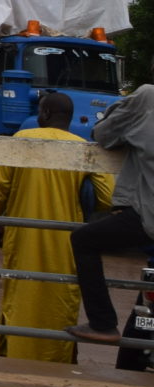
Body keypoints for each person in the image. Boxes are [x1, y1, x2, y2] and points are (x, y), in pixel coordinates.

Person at [0, 92, 114, 361]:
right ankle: (55, 355)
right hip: (65, 241)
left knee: (20, 295)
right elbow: (107, 197)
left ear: (43, 115)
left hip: (22, 237)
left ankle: (13, 354)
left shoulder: (22, 141)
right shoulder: (84, 148)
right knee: (59, 297)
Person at [66, 84, 154, 345]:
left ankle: (102, 323)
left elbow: (103, 133)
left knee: (84, 240)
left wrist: (119, 107)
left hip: (147, 216)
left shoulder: (147, 97)